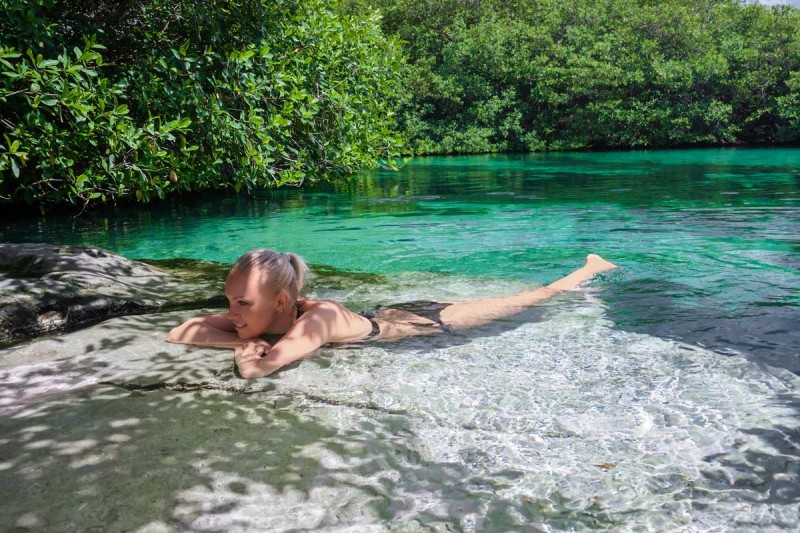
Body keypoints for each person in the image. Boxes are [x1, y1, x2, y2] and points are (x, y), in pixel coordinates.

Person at [167, 250, 618, 379]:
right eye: (230, 302)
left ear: (280, 303)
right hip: (389, 313)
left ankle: (589, 270)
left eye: (242, 304)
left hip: (429, 323)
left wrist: (250, 349)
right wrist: (241, 336)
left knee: (533, 298)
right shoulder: (268, 317)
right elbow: (180, 331)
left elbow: (258, 370)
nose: (231, 312)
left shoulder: (316, 319)